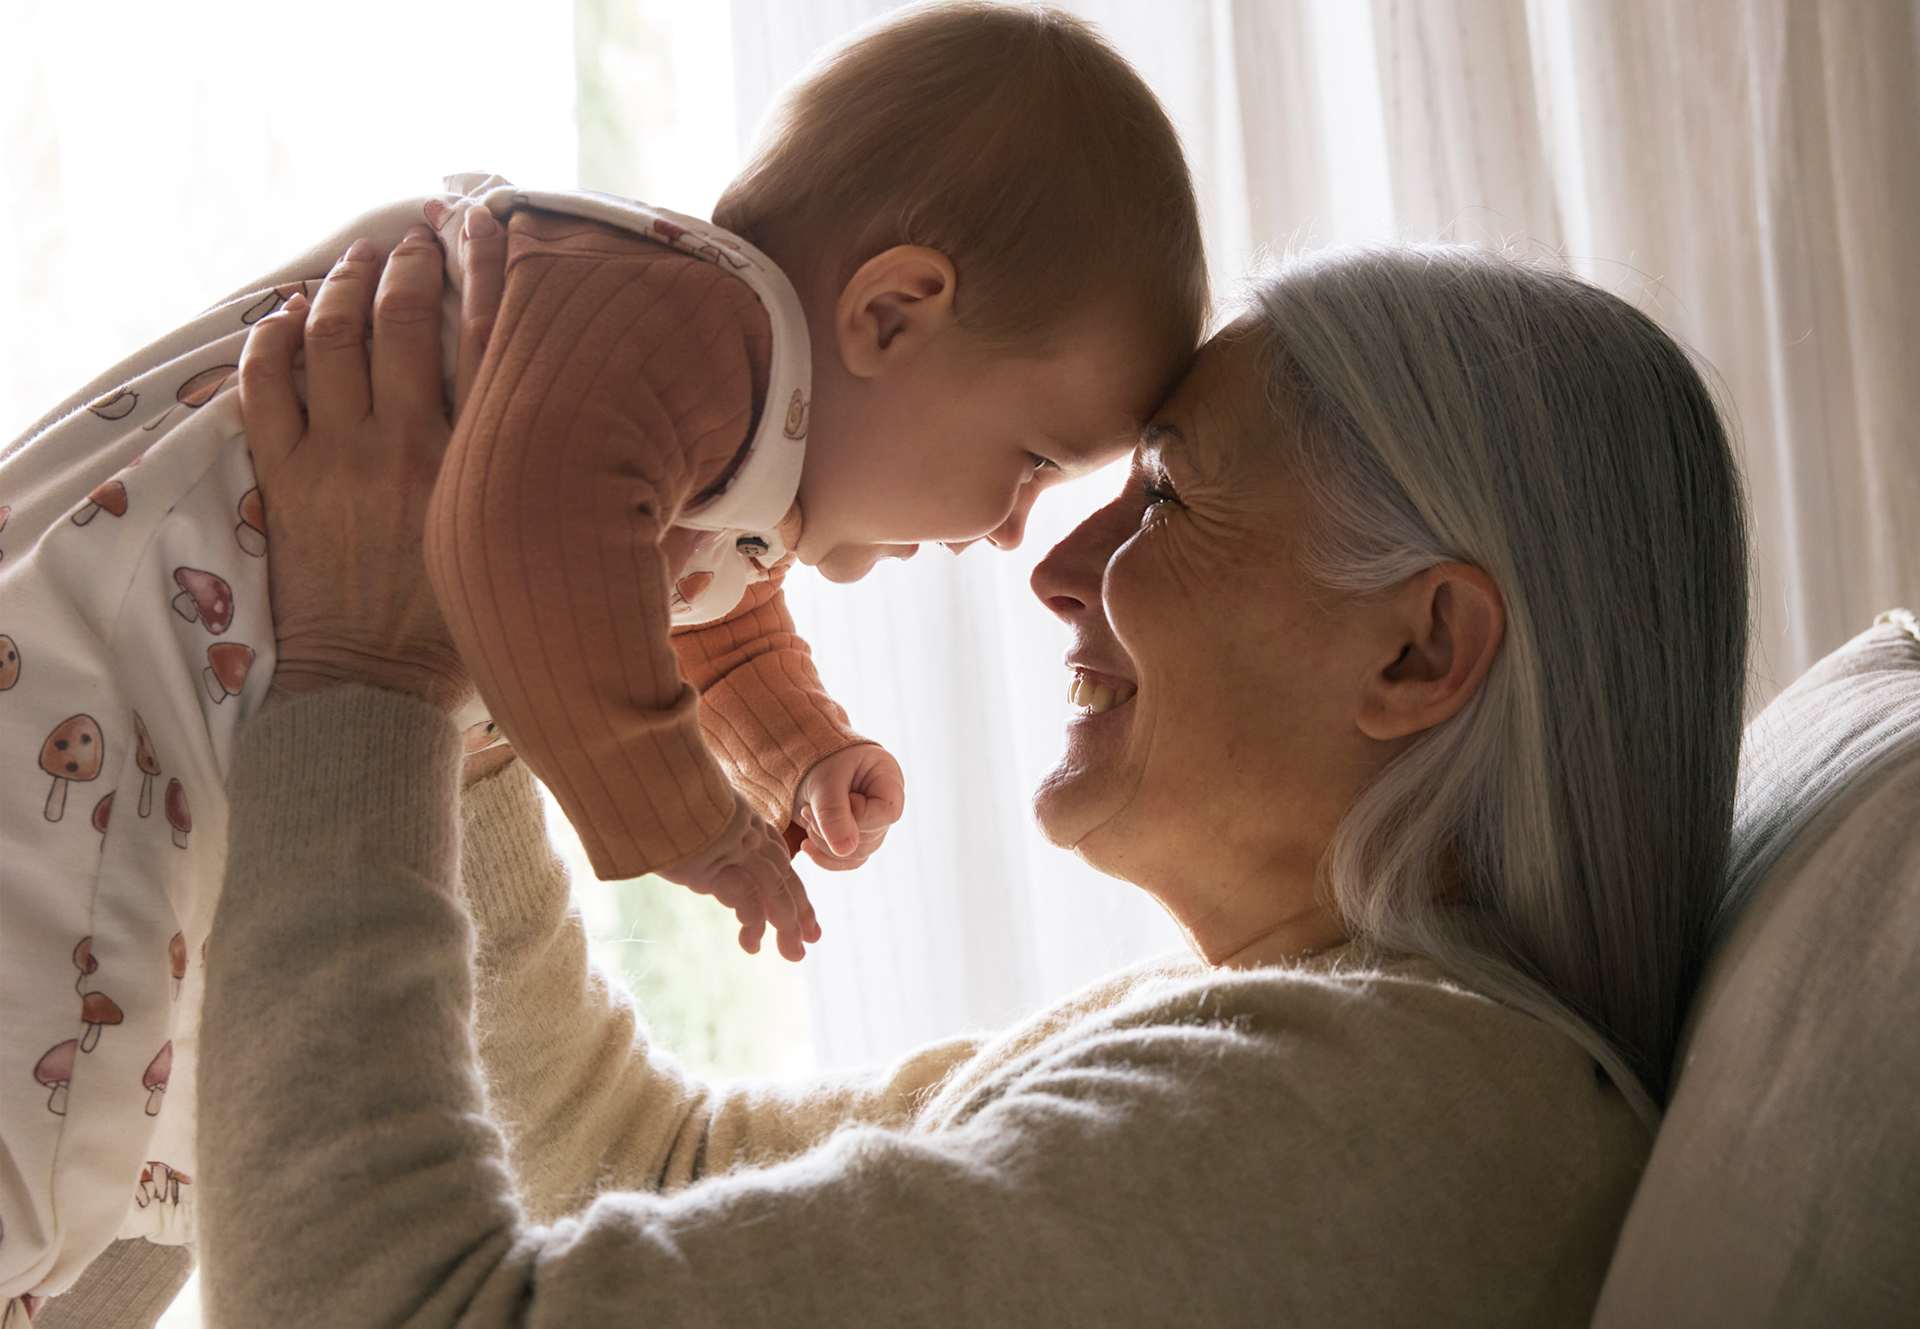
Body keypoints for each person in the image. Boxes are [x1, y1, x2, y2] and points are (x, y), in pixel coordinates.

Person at [191, 220, 1748, 1324]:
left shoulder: (1390, 1124)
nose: (1057, 567)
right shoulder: (1332, 1065)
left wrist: (364, 678)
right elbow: (646, 1167)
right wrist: (478, 687)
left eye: (1170, 498)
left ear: (1418, 651)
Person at [0, 6, 1205, 1316]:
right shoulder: (687, 316)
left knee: (154, 1157)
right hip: (107, 679)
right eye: (1030, 460)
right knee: (58, 1132)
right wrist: (689, 816)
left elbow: (708, 619)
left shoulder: (722, 434)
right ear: (894, 313)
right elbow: (525, 524)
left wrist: (797, 758)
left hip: (195, 752)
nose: (1012, 528)